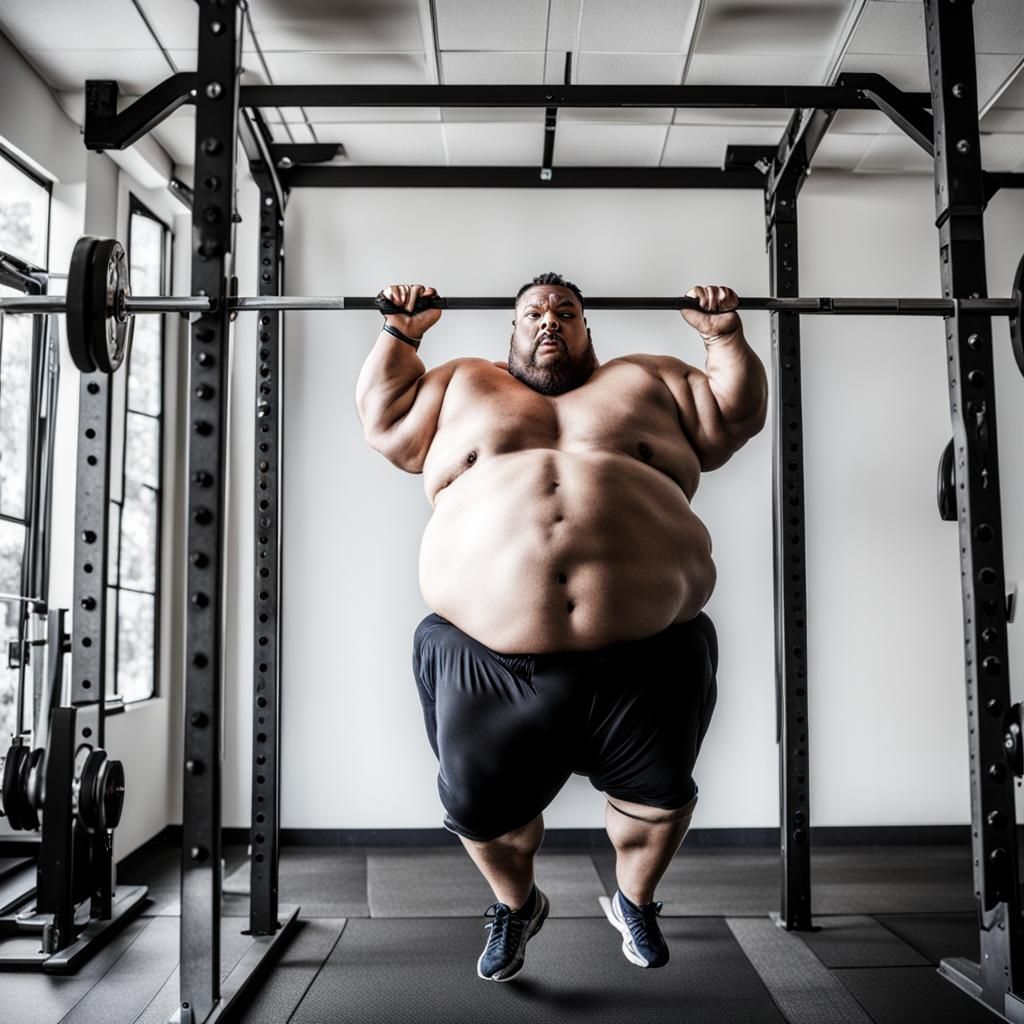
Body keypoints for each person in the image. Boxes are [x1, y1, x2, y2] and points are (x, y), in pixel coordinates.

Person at [355, 272, 768, 981]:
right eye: (533, 314)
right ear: (511, 330)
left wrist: (723, 336)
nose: (549, 321)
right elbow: (384, 422)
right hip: (487, 657)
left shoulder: (648, 380)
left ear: (587, 329)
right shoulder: (460, 384)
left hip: (650, 650)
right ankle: (517, 906)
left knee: (657, 807)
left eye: (565, 312)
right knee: (486, 817)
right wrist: (399, 336)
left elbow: (735, 416)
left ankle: (634, 900)